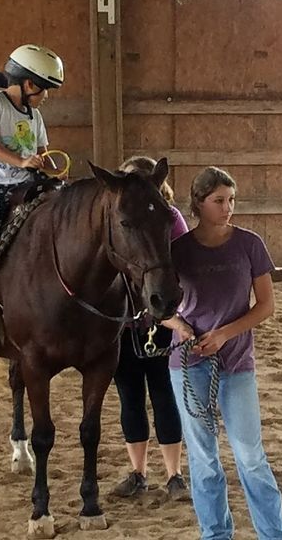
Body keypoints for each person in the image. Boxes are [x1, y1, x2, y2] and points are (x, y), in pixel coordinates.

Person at [163, 167, 282, 540]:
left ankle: (275, 533)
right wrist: (182, 327)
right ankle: (215, 533)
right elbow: (157, 307)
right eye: (219, 201)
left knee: (250, 454)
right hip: (188, 362)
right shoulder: (177, 251)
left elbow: (265, 305)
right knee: (203, 456)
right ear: (199, 204)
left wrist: (224, 334)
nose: (227, 208)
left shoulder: (249, 244)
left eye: (231, 200)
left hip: (236, 360)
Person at [111, 156, 190, 501]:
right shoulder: (117, 225)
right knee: (130, 396)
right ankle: (138, 472)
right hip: (125, 322)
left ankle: (174, 474)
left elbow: (181, 265)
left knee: (163, 393)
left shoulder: (170, 220)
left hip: (159, 319)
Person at [0, 44, 64, 242]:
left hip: (27, 183)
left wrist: (55, 172)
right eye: (45, 89)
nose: (46, 96)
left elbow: (42, 155)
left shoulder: (35, 116)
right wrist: (21, 161)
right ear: (29, 84)